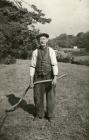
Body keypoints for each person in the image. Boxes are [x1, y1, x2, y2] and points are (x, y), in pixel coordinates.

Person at [30, 33, 58, 122]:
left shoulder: (51, 51)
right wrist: (31, 80)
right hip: (38, 78)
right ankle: (39, 114)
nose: (42, 40)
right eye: (40, 39)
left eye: (44, 39)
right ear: (39, 41)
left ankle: (50, 115)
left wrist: (55, 77)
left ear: (47, 40)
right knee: (38, 97)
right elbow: (32, 66)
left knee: (51, 97)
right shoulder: (35, 52)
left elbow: (54, 64)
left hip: (49, 77)